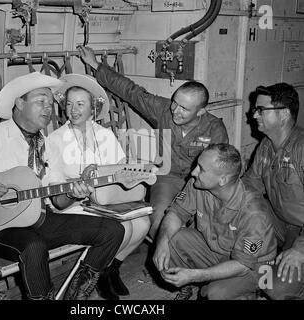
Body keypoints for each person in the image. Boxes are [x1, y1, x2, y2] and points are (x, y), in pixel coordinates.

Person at [0, 72, 125, 300]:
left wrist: (73, 193)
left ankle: (76, 296)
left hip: (37, 219)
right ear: (19, 103)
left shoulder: (47, 147)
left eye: (51, 103)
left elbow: (58, 202)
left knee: (112, 230)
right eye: (41, 101)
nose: (48, 108)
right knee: (34, 246)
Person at [77, 45, 229, 239]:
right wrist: (95, 64)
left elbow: (221, 170)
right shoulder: (163, 110)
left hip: (201, 182)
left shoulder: (215, 129)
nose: (175, 110)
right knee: (158, 222)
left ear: (200, 112)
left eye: (184, 108)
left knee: (206, 227)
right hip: (168, 176)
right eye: (175, 102)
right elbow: (131, 92)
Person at [48, 73, 150, 300]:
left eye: (80, 104)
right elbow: (55, 184)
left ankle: (110, 269)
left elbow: (120, 169)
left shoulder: (105, 135)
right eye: (69, 104)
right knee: (126, 228)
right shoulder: (55, 139)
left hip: (106, 199)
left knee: (142, 224)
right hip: (75, 203)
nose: (73, 110)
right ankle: (101, 272)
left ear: (93, 108)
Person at [153, 143, 277, 300]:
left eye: (201, 169)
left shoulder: (254, 211)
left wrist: (195, 275)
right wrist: (162, 242)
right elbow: (176, 213)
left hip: (255, 267)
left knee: (214, 294)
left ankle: (249, 293)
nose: (193, 172)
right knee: (173, 239)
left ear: (222, 179)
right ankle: (189, 284)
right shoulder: (198, 185)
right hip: (218, 250)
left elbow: (243, 265)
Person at [242, 83, 304, 300]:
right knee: (244, 208)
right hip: (284, 225)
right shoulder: (267, 146)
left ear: (284, 114)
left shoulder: (302, 148)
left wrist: (300, 250)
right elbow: (249, 187)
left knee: (276, 288)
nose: (253, 113)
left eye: (261, 109)